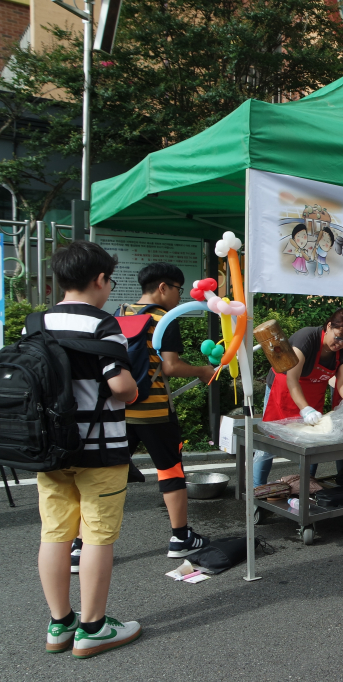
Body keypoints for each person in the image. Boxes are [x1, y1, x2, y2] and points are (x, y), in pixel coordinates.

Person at [36, 241, 141, 658]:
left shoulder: (35, 323)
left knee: (55, 534)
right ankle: (94, 628)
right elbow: (120, 386)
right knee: (97, 536)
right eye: (110, 280)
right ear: (99, 280)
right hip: (100, 448)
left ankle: (60, 624)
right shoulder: (103, 325)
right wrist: (132, 389)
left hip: (49, 448)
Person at [120, 263, 217, 558]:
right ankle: (180, 538)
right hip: (154, 412)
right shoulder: (164, 318)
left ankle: (79, 545)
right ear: (163, 287)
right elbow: (170, 366)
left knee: (104, 474)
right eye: (178, 289)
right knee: (170, 469)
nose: (180, 296)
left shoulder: (119, 313)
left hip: (119, 409)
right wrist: (202, 370)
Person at [254, 307, 343, 486]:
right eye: (339, 336)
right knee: (269, 441)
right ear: (328, 326)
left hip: (313, 393)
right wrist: (305, 408)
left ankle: (305, 485)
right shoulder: (307, 339)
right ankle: (257, 488)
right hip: (284, 389)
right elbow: (292, 379)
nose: (341, 343)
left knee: (313, 442)